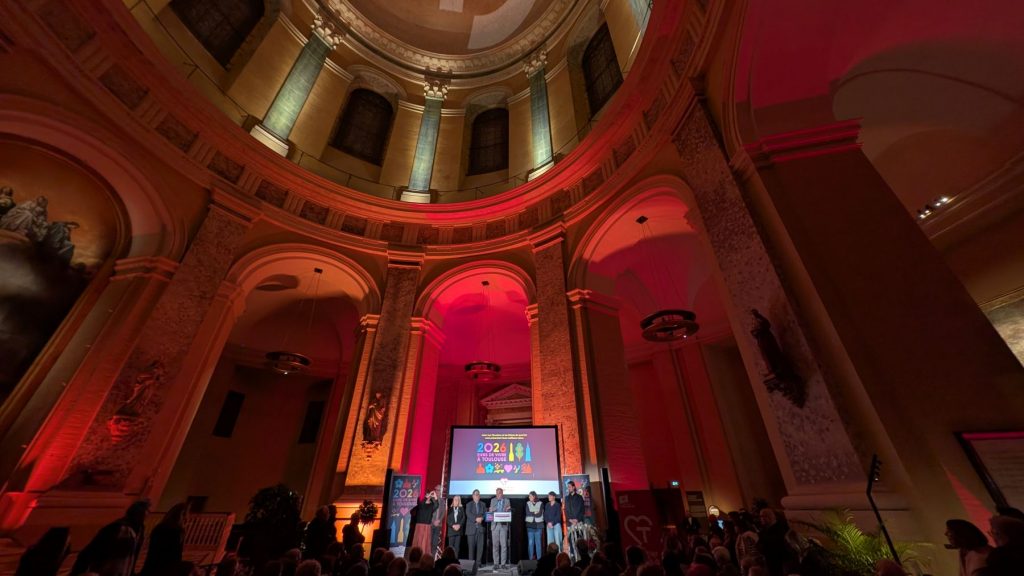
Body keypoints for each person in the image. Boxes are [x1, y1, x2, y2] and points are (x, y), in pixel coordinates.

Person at [71, 499, 150, 576]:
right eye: (144, 511)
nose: (147, 514)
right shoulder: (116, 528)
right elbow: (90, 551)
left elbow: (132, 556)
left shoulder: (139, 530)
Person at [140, 503, 189, 576]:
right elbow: (175, 556)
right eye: (186, 515)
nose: (187, 518)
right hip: (164, 570)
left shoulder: (160, 527)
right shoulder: (176, 531)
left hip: (151, 567)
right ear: (180, 515)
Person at [756, 508, 790, 576]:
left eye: (762, 516)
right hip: (770, 562)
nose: (760, 519)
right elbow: (759, 545)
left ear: (768, 517)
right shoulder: (764, 531)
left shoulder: (780, 530)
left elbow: (774, 547)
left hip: (780, 563)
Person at [489, 487, 511, 568]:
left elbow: (509, 512)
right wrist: (495, 509)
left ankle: (503, 564)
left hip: (503, 525)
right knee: (495, 545)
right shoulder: (493, 500)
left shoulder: (507, 501)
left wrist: (508, 510)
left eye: (500, 493)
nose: (498, 494)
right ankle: (496, 563)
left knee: (504, 545)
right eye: (497, 493)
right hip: (495, 525)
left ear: (502, 493)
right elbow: (491, 510)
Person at [466, 489, 487, 568]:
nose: (477, 496)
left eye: (478, 494)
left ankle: (478, 563)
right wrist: (476, 519)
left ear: (479, 496)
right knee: (471, 548)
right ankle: (471, 564)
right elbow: (468, 514)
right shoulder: (469, 504)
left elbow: (485, 514)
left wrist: (482, 518)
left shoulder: (483, 504)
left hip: (480, 529)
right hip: (471, 529)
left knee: (480, 547)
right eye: (475, 494)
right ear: (472, 496)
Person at [564, 482, 585, 554]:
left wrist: (577, 519)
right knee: (571, 539)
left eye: (570, 487)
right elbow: (566, 510)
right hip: (570, 522)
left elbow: (582, 510)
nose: (568, 488)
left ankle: (581, 554)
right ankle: (573, 555)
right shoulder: (567, 498)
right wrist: (570, 519)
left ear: (574, 487)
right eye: (568, 487)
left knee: (579, 539)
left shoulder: (579, 497)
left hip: (578, 522)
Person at [526, 491, 545, 560]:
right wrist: (535, 512)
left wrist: (533, 512)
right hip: (530, 526)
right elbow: (528, 513)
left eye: (530, 496)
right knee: (530, 544)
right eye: (529, 496)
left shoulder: (540, 503)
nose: (529, 497)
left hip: (538, 526)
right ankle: (531, 559)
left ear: (534, 496)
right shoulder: (527, 503)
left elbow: (539, 514)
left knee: (538, 543)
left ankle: (539, 559)